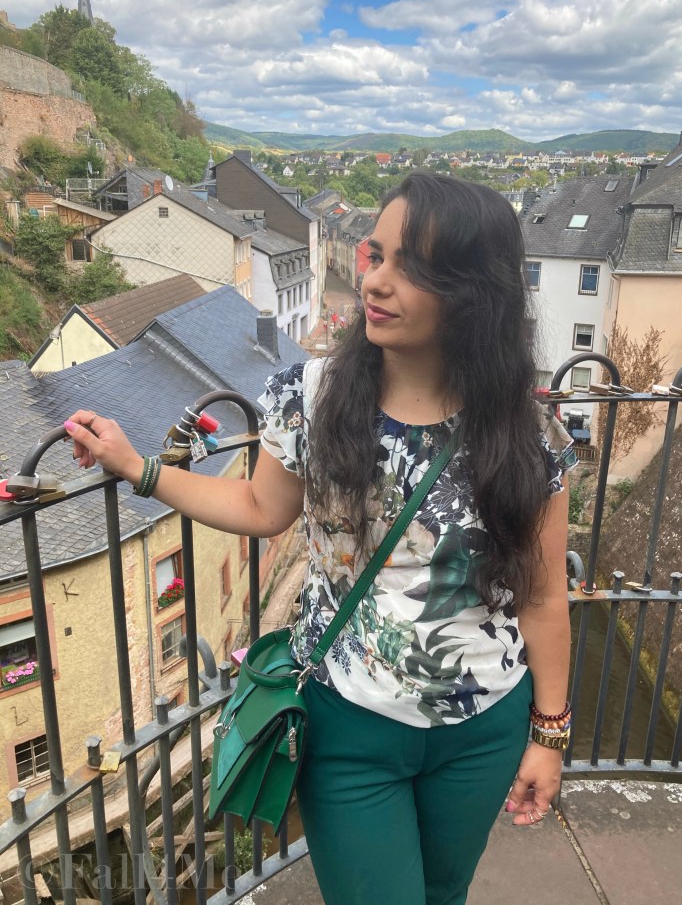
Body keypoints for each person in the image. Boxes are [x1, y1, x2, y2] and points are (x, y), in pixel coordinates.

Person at [64, 172, 575, 905]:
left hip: (482, 729)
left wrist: (547, 733)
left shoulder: (528, 435)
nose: (375, 281)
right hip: (350, 724)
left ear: (473, 291)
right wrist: (139, 469)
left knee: (443, 895)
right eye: (377, 255)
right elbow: (257, 505)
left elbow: (543, 593)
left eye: (412, 267)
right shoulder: (311, 395)